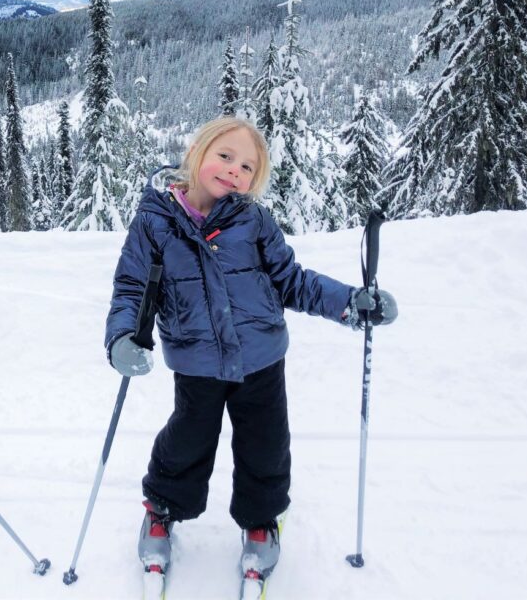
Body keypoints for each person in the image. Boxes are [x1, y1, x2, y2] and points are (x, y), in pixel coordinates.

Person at [104, 116, 396, 584]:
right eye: (225, 156)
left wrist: (349, 303)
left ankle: (261, 521)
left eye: (246, 167)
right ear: (198, 151)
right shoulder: (155, 223)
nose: (233, 171)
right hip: (196, 361)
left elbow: (292, 281)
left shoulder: (253, 221)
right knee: (188, 440)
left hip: (260, 358)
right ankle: (162, 508)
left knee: (265, 445)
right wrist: (121, 337)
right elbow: (131, 287)